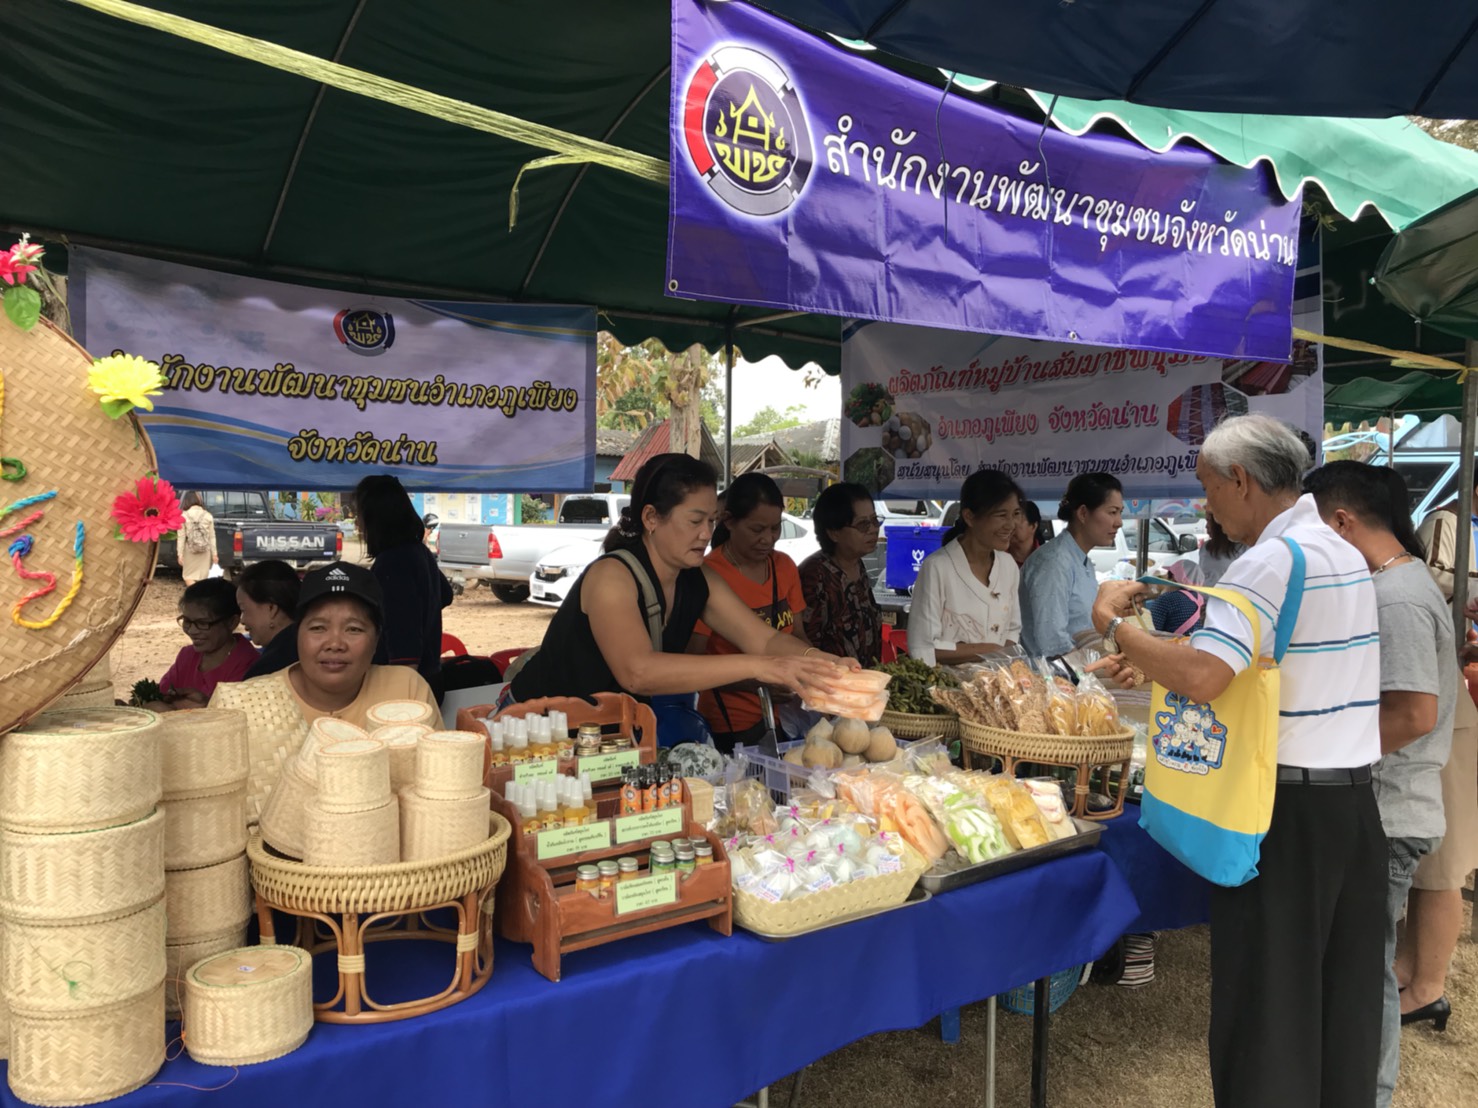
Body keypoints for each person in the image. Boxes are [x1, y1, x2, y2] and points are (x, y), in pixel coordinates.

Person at [1090, 414, 1384, 1108]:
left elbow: (1206, 677)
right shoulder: (1339, 549)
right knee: (1340, 1010)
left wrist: (1115, 626)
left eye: (1207, 486)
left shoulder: (1271, 561)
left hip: (1282, 811)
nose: (1205, 504)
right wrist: (1161, 661)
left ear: (1241, 480)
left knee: (1267, 1011)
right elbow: (1263, 668)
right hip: (1351, 806)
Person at [1304, 461, 1456, 1107]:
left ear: (1341, 522)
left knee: (1365, 975)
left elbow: (1414, 711)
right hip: (1392, 806)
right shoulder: (1399, 582)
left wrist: (1335, 751)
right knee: (1358, 969)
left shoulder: (1396, 596)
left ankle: (1368, 1093)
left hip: (1390, 810)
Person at [509, 454, 845, 708]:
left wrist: (823, 661)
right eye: (695, 520)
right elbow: (638, 671)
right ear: (651, 517)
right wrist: (764, 667)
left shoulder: (699, 580)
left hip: (604, 736)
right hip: (534, 729)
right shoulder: (612, 577)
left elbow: (764, 640)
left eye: (712, 521)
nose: (706, 534)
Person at [1400, 461, 1478, 1030]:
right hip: (1442, 704)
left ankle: (1427, 986)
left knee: (1442, 866)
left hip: (1448, 713)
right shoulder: (1448, 525)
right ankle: (1408, 969)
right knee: (1426, 860)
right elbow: (1441, 586)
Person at [211, 561, 439, 730]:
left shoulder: (406, 690)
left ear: (377, 638)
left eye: (354, 629)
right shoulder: (248, 704)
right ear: (297, 633)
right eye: (318, 628)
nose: (335, 644)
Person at [688, 473, 813, 752]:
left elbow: (797, 634)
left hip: (787, 718)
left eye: (775, 529)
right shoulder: (709, 574)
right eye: (757, 530)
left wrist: (817, 669)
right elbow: (694, 660)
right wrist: (758, 683)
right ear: (729, 521)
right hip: (731, 722)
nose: (767, 539)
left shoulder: (784, 567)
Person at [910, 469, 1024, 665]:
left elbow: (1013, 629)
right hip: (949, 689)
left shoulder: (1008, 565)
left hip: (997, 686)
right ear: (970, 517)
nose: (1011, 524)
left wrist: (998, 663)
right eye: (1001, 515)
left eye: (1015, 514)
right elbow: (922, 647)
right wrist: (989, 650)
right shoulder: (938, 568)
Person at [353, 475, 454, 694]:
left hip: (406, 684)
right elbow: (445, 595)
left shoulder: (393, 562)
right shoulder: (419, 551)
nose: (357, 523)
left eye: (359, 514)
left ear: (375, 517)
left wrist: (401, 694)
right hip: (430, 676)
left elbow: (404, 638)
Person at [1019, 472, 1123, 657]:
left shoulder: (1081, 559)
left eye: (1120, 513)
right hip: (1053, 677)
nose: (1119, 523)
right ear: (1083, 513)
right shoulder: (1054, 562)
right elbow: (1052, 642)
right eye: (1112, 512)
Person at [798, 483, 884, 668]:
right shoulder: (815, 576)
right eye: (863, 524)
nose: (873, 529)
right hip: (830, 685)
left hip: (865, 680)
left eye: (875, 520)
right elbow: (806, 645)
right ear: (834, 533)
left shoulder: (857, 565)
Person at [151, 578, 259, 710]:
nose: (192, 630)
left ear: (232, 622)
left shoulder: (249, 665)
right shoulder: (187, 656)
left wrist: (207, 706)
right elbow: (161, 694)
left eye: (203, 623)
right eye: (187, 621)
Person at [237, 560, 300, 680]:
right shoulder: (308, 645)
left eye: (244, 610)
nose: (242, 620)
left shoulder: (269, 669)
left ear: (271, 609)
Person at [176, 491, 218, 587]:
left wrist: (180, 554)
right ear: (199, 500)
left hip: (190, 551)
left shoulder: (183, 516)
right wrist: (214, 554)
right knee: (203, 578)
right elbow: (212, 536)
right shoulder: (208, 515)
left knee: (188, 576)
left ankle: (194, 596)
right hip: (205, 551)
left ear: (187, 501)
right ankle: (201, 598)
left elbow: (181, 537)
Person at [1197, 512, 1245, 587]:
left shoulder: (1243, 548)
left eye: (1209, 521)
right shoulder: (1205, 547)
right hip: (1204, 597)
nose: (1206, 526)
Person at [1007, 500, 1048, 567]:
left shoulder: (1047, 558)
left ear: (1033, 526)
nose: (1010, 527)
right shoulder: (995, 557)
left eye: (1016, 523)